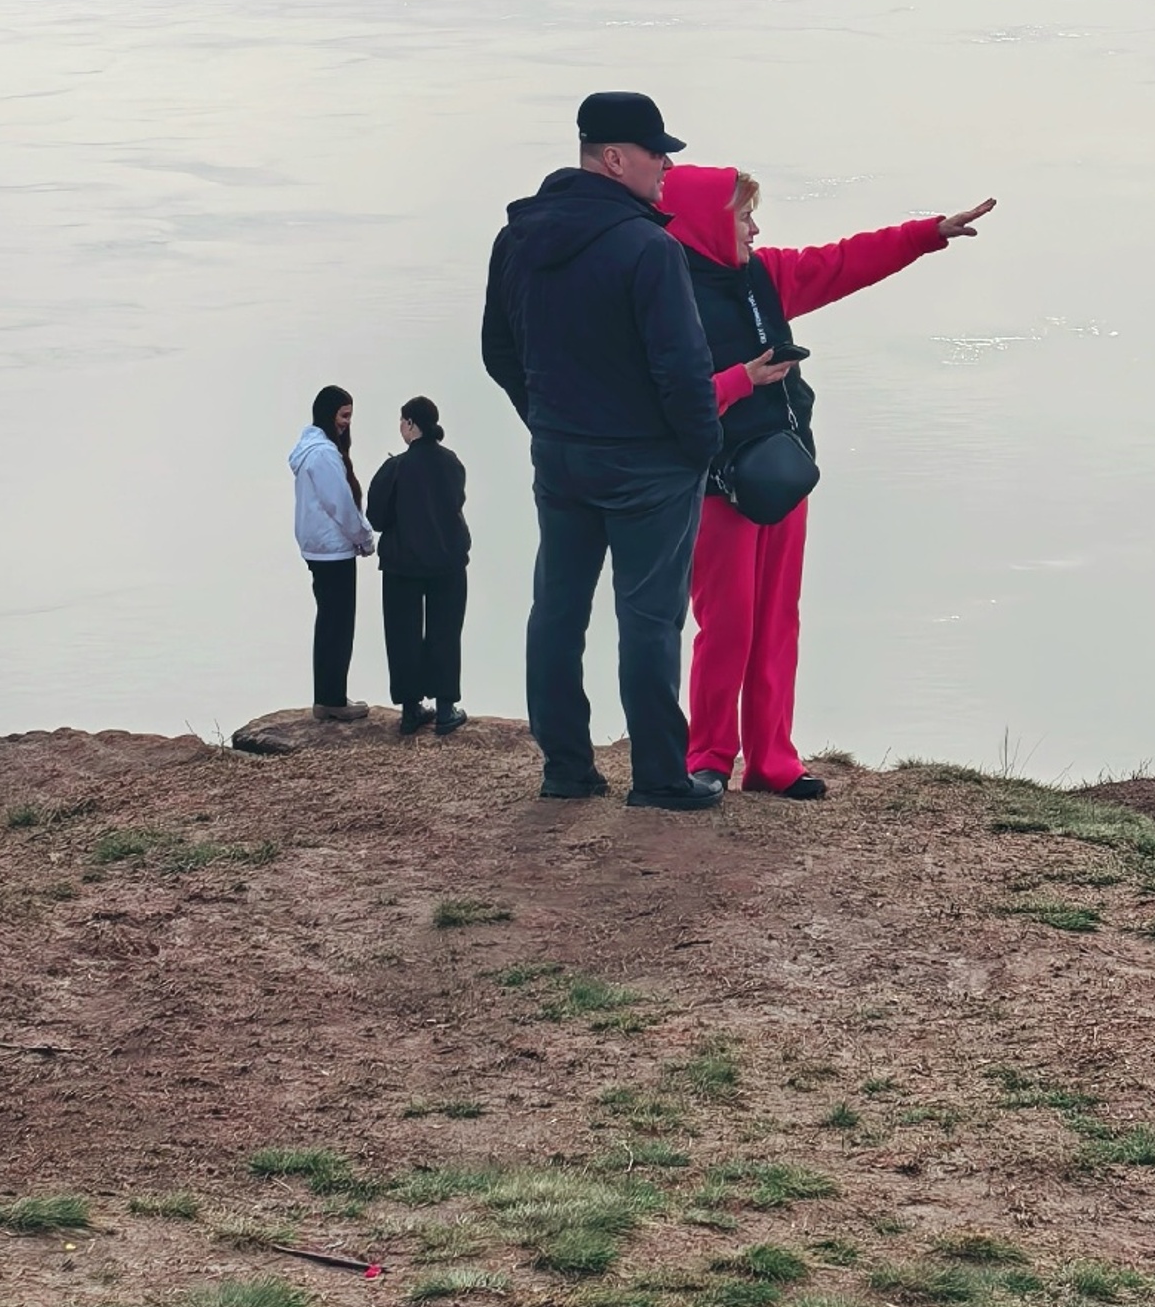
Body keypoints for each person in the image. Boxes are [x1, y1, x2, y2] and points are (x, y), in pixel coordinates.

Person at [660, 167, 996, 800]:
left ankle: (771, 761)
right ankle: (708, 756)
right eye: (742, 217)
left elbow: (842, 262)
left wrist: (927, 233)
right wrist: (741, 382)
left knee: (776, 622)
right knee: (726, 623)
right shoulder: (663, 295)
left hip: (781, 476)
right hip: (713, 489)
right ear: (706, 224)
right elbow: (661, 402)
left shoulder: (764, 276)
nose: (755, 228)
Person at [482, 91, 724, 811]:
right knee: (649, 618)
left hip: (561, 454)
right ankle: (658, 776)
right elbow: (682, 368)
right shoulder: (650, 246)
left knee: (557, 607)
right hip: (649, 463)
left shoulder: (518, 237)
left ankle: (566, 768)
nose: (667, 166)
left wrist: (545, 418)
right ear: (614, 158)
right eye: (657, 152)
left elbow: (499, 350)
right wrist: (699, 450)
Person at [366, 396, 472, 739]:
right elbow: (455, 503)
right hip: (447, 562)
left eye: (402, 421)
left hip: (402, 564)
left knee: (402, 635)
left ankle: (411, 711)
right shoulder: (452, 463)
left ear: (411, 424)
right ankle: (444, 711)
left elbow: (377, 519)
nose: (400, 427)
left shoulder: (395, 468)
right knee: (445, 633)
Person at [289, 385, 376, 723]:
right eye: (344, 415)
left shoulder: (310, 450)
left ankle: (328, 695)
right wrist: (364, 537)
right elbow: (339, 503)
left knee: (329, 621)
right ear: (328, 414)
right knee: (338, 625)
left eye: (350, 416)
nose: (347, 423)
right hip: (333, 550)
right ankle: (332, 699)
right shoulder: (324, 455)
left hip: (319, 548)